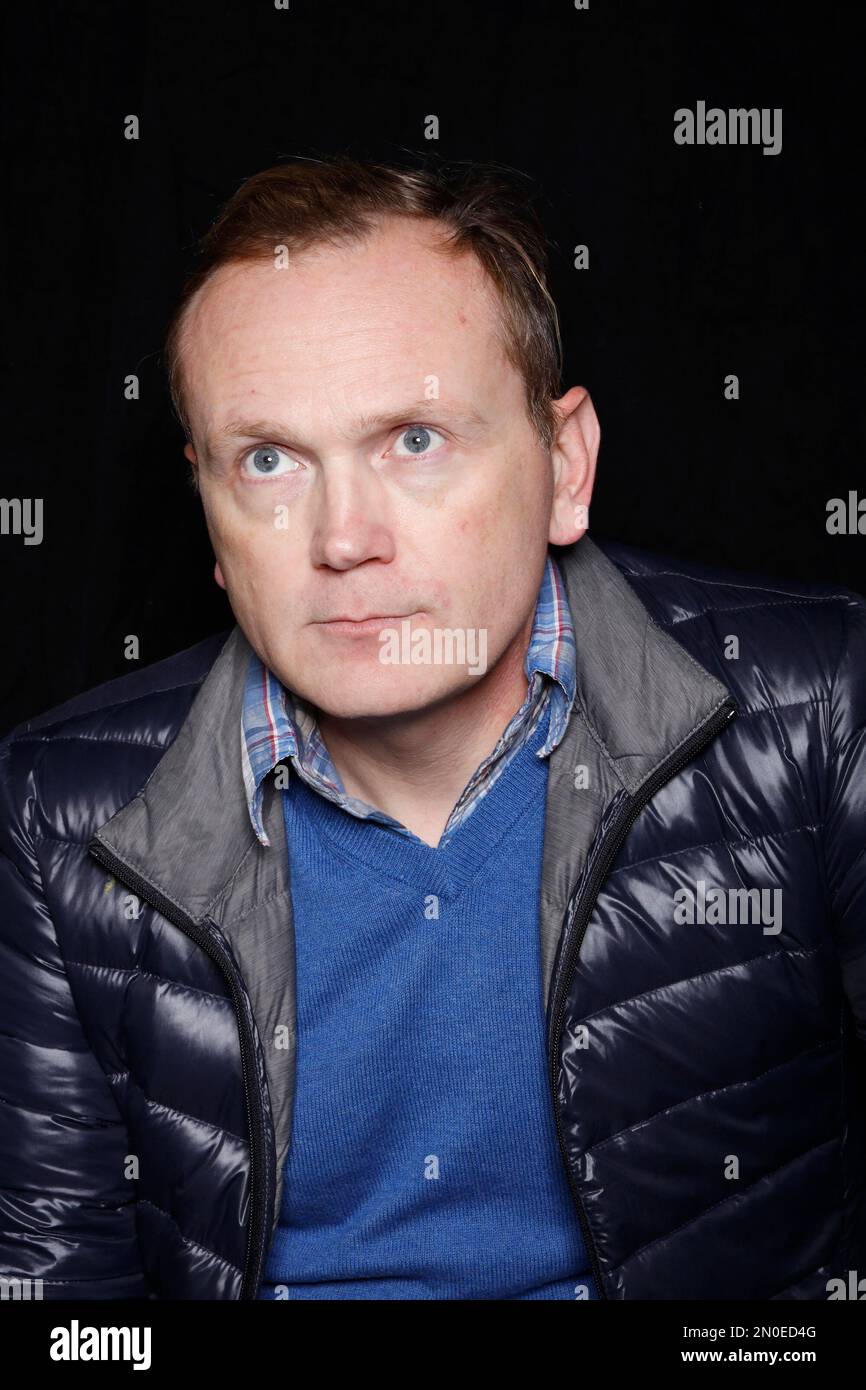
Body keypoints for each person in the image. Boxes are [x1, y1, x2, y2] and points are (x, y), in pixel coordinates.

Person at [1, 154, 864, 1301]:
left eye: (413, 439)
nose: (341, 538)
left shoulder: (814, 706)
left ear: (564, 465)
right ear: (207, 509)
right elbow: (60, 1293)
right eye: (268, 460)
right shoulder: (58, 809)